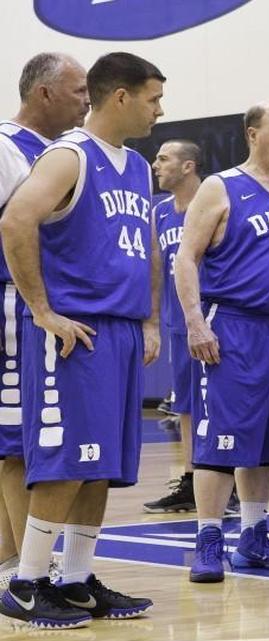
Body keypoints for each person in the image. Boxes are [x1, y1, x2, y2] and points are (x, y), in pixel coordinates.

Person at [0, 51, 164, 629]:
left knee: (102, 466)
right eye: (153, 98)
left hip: (120, 330)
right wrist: (41, 309)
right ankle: (25, 582)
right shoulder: (69, 156)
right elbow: (14, 222)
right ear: (119, 96)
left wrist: (149, 319)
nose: (159, 110)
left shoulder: (139, 168)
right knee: (65, 460)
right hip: (76, 331)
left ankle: (74, 579)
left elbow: (146, 247)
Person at [174, 101, 269, 584]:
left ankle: (254, 536)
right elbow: (186, 259)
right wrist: (196, 322)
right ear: (253, 133)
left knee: (267, 438)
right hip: (234, 325)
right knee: (220, 438)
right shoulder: (222, 186)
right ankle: (208, 539)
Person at [0, 53, 88, 589]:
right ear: (44, 94)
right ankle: (21, 569)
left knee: (20, 442)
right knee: (15, 442)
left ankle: (13, 564)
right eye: (79, 90)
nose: (88, 98)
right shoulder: (7, 146)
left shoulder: (64, 153)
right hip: (18, 305)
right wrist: (35, 304)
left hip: (45, 308)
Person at [144, 139, 204, 513]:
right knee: (185, 405)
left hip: (215, 321)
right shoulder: (160, 212)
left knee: (218, 405)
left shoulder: (214, 203)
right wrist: (152, 321)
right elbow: (154, 271)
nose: (155, 165)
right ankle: (192, 479)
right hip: (177, 324)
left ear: (188, 166)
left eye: (163, 159)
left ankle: (226, 481)